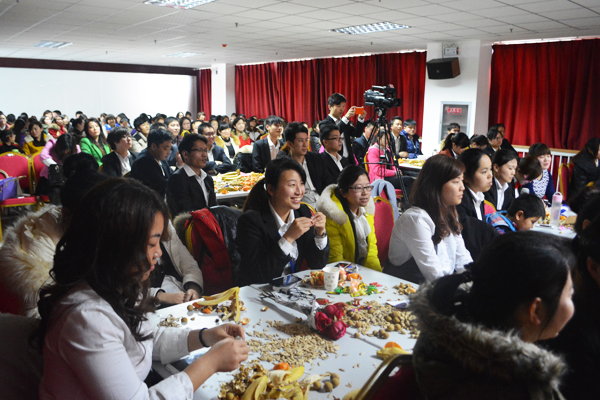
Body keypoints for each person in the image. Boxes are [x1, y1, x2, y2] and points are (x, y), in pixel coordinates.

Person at [37, 178, 249, 399]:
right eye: (151, 244)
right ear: (116, 246)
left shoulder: (117, 286)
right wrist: (210, 363)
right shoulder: (87, 319)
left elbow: (145, 340)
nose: (159, 253)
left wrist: (204, 337)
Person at [410, 231, 574, 399]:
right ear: (536, 311)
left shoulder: (436, 343)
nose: (573, 301)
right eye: (570, 294)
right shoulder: (524, 390)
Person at [235, 158, 329, 286]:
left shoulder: (302, 211)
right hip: (259, 292)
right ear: (271, 189)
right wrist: (288, 238)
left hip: (291, 288)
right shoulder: (251, 221)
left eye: (301, 183)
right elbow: (258, 275)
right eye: (292, 185)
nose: (299, 191)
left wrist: (320, 234)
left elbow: (317, 264)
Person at [387, 155, 472, 283]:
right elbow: (433, 273)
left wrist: (475, 282)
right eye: (456, 181)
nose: (462, 187)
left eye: (462, 180)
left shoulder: (449, 213)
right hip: (406, 288)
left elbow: (462, 258)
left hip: (435, 286)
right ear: (436, 185)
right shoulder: (416, 220)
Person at [317, 166, 381, 271]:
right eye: (359, 188)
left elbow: (372, 253)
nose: (365, 192)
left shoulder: (367, 212)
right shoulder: (333, 216)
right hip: (338, 274)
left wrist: (377, 275)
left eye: (368, 187)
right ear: (343, 192)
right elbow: (336, 261)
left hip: (360, 272)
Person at [277, 122, 329, 205]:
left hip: (322, 201)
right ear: (290, 144)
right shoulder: (285, 165)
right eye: (300, 141)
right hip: (300, 204)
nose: (305, 145)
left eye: (306, 140)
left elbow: (326, 181)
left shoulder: (316, 158)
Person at [166, 133, 217, 216]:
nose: (204, 155)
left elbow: (214, 207)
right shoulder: (177, 179)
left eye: (205, 150)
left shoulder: (207, 179)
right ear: (185, 154)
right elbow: (183, 212)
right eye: (199, 150)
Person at [319, 92, 366, 162]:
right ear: (330, 107)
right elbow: (335, 134)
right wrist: (346, 118)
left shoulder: (344, 122)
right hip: (335, 160)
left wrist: (360, 119)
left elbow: (357, 133)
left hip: (349, 160)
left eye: (343, 106)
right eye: (339, 106)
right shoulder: (324, 123)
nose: (342, 109)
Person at [130, 128, 173, 197]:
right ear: (153, 146)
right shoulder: (143, 162)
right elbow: (160, 186)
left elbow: (171, 176)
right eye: (165, 149)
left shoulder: (160, 157)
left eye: (170, 149)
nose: (169, 153)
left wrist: (179, 165)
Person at [456, 149, 493, 221]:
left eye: (490, 169)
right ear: (465, 177)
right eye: (484, 172)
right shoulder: (461, 200)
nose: (490, 175)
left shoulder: (479, 195)